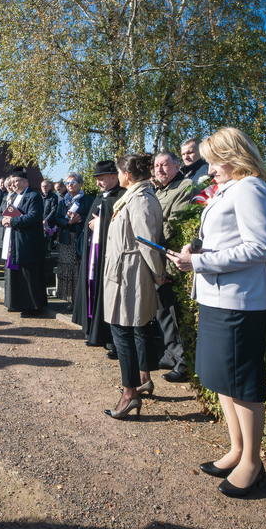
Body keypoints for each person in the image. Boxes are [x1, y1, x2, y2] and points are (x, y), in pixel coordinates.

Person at [167, 127, 266, 498]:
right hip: (218, 298)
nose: (209, 170)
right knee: (223, 379)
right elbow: (226, 239)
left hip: (239, 300)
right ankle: (237, 449)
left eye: (214, 162)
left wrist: (199, 261)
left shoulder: (250, 187)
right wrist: (196, 250)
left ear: (234, 157)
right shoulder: (231, 188)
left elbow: (261, 248)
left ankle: (253, 462)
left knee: (242, 382)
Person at [102, 154, 165, 420]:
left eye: (119, 171)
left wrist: (159, 276)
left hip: (131, 275)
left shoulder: (139, 199)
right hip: (125, 272)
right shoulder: (134, 196)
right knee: (128, 330)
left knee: (122, 332)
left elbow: (147, 243)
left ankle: (130, 394)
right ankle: (139, 382)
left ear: (127, 174)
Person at [152, 152, 198, 383]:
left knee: (175, 313)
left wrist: (149, 239)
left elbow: (173, 223)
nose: (159, 169)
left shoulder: (185, 186)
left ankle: (184, 363)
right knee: (163, 312)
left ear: (177, 166)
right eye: (156, 165)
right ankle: (170, 354)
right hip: (157, 256)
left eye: (165, 165)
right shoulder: (159, 190)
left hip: (171, 258)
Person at [72, 160, 125, 351]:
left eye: (101, 179)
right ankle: (93, 332)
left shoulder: (122, 196)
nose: (98, 183)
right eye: (96, 180)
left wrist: (101, 224)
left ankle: (110, 339)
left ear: (114, 176)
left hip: (107, 257)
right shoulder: (100, 197)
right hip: (93, 255)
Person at [1, 170, 47, 317]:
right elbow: (7, 213)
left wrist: (12, 221)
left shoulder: (34, 196)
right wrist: (4, 220)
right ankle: (17, 302)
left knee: (29, 275)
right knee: (17, 274)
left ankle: (33, 307)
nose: (13, 185)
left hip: (29, 243)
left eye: (16, 182)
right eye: (12, 182)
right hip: (15, 241)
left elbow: (34, 217)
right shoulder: (14, 197)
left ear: (25, 182)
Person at [54, 171, 91, 311]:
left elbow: (91, 215)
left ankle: (79, 299)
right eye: (67, 183)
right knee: (67, 269)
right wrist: (68, 222)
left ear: (80, 184)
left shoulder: (87, 199)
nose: (69, 185)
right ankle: (70, 299)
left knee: (78, 268)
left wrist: (78, 217)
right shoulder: (63, 200)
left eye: (73, 182)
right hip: (65, 238)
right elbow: (57, 218)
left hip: (80, 237)